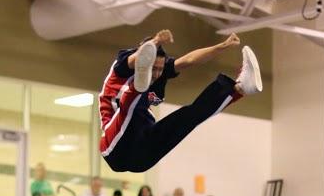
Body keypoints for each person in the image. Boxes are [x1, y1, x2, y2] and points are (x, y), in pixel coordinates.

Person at [98, 29, 262, 173]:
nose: (156, 74)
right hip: (116, 146)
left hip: (142, 155)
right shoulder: (122, 64)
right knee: (132, 107)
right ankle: (139, 84)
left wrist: (222, 46)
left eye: (159, 69)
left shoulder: (162, 73)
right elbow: (133, 60)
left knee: (188, 117)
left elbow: (189, 60)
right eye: (152, 68)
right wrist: (155, 42)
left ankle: (240, 88)